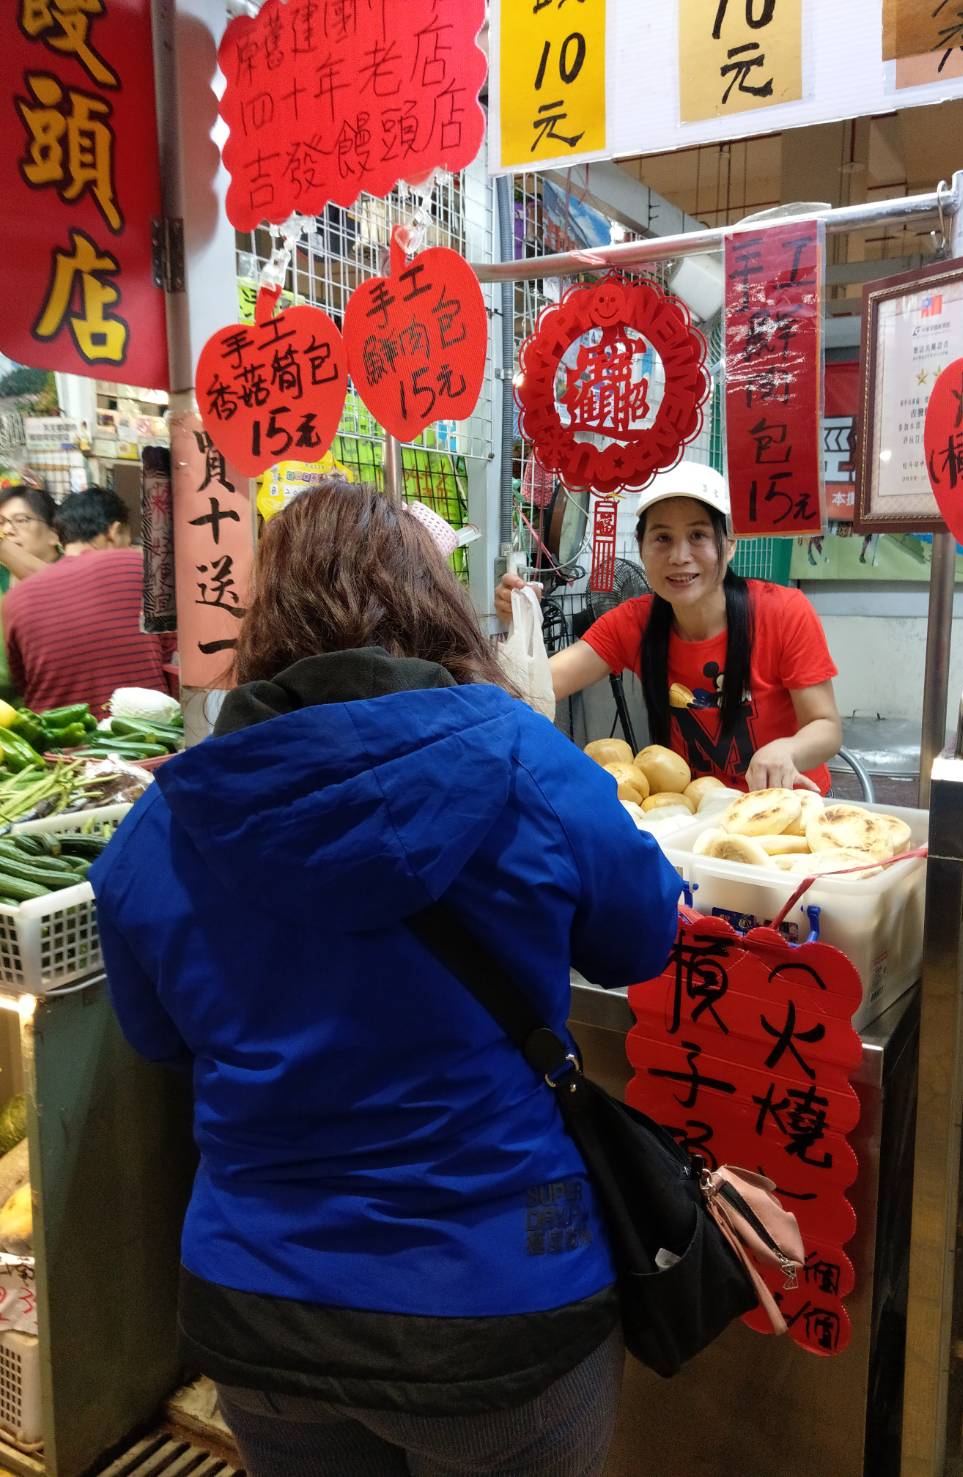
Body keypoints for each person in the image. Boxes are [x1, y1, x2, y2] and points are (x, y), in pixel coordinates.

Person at [90, 483, 682, 1477]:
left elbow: (160, 1039)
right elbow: (641, 936)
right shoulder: (524, 760)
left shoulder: (168, 819)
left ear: (266, 620)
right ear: (431, 602)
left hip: (261, 1307)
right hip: (502, 1302)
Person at [497, 463, 843, 794]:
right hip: (695, 812)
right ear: (642, 546)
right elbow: (534, 687)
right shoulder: (632, 622)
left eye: (698, 535)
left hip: (791, 805)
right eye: (662, 538)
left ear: (730, 543)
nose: (679, 556)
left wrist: (788, 750)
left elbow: (826, 727)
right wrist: (522, 620)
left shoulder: (784, 612)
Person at [4, 486, 174, 718]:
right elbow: (171, 659)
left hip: (55, 738)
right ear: (114, 532)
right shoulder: (144, 569)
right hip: (146, 735)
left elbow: (23, 682)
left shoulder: (15, 599)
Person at [0, 485, 61, 704]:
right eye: (1, 522)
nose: (8, 530)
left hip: (54, 707)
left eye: (21, 520)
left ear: (54, 533)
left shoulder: (72, 571)